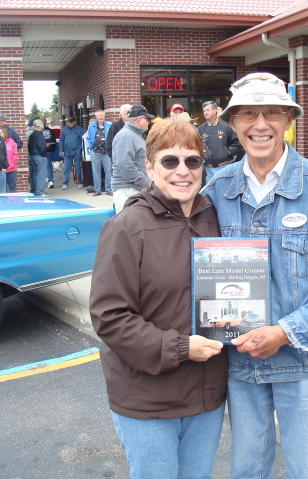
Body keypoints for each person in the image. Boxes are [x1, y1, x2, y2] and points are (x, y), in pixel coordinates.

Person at [201, 72, 308, 479]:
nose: (260, 125)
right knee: (245, 471)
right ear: (233, 123)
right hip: (242, 368)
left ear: (289, 119)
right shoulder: (215, 190)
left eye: (272, 113)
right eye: (248, 115)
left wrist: (282, 332)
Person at [90, 119, 227, 479]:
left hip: (205, 396)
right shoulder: (126, 227)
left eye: (192, 162)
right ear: (149, 167)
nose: (182, 171)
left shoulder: (214, 217)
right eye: (170, 161)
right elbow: (110, 316)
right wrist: (181, 348)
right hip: (148, 400)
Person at [111, 105, 154, 213]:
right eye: (147, 119)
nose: (149, 122)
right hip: (127, 190)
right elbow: (125, 166)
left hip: (133, 189)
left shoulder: (133, 135)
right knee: (129, 226)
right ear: (139, 120)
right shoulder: (126, 136)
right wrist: (143, 181)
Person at [198, 100, 243, 179]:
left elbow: (237, 142)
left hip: (225, 166)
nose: (205, 112)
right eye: (204, 111)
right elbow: (197, 145)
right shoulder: (201, 129)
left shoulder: (226, 126)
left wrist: (227, 152)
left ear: (215, 110)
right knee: (208, 191)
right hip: (207, 169)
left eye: (208, 110)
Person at [86, 110, 112, 197]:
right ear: (96, 117)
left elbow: (112, 137)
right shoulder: (91, 126)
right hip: (95, 152)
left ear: (104, 116)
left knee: (108, 171)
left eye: (102, 115)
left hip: (106, 152)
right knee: (96, 172)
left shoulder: (109, 125)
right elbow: (88, 137)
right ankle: (97, 190)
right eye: (99, 116)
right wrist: (90, 146)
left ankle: (109, 190)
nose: (100, 117)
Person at [59, 117, 85, 189]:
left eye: (71, 122)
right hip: (67, 151)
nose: (70, 124)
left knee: (77, 167)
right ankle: (65, 183)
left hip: (76, 150)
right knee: (66, 168)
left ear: (75, 122)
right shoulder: (64, 129)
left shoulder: (79, 129)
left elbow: (83, 139)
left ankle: (80, 182)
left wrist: (80, 149)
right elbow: (61, 140)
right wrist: (61, 150)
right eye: (69, 122)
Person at [28, 119, 48, 196]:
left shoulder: (32, 135)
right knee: (41, 175)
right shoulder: (40, 135)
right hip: (40, 156)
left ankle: (33, 190)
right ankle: (39, 192)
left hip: (32, 156)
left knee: (33, 174)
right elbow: (42, 147)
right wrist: (43, 155)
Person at [0, 127, 19, 193]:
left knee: (12, 186)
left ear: (5, 133)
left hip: (12, 169)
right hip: (2, 169)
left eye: (0, 133)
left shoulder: (12, 142)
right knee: (3, 187)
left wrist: (12, 163)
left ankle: (13, 201)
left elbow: (15, 154)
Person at [42, 119, 57, 188]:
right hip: (49, 151)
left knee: (41, 167)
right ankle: (50, 180)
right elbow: (54, 141)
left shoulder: (38, 132)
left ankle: (44, 181)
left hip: (41, 152)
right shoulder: (51, 131)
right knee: (48, 166)